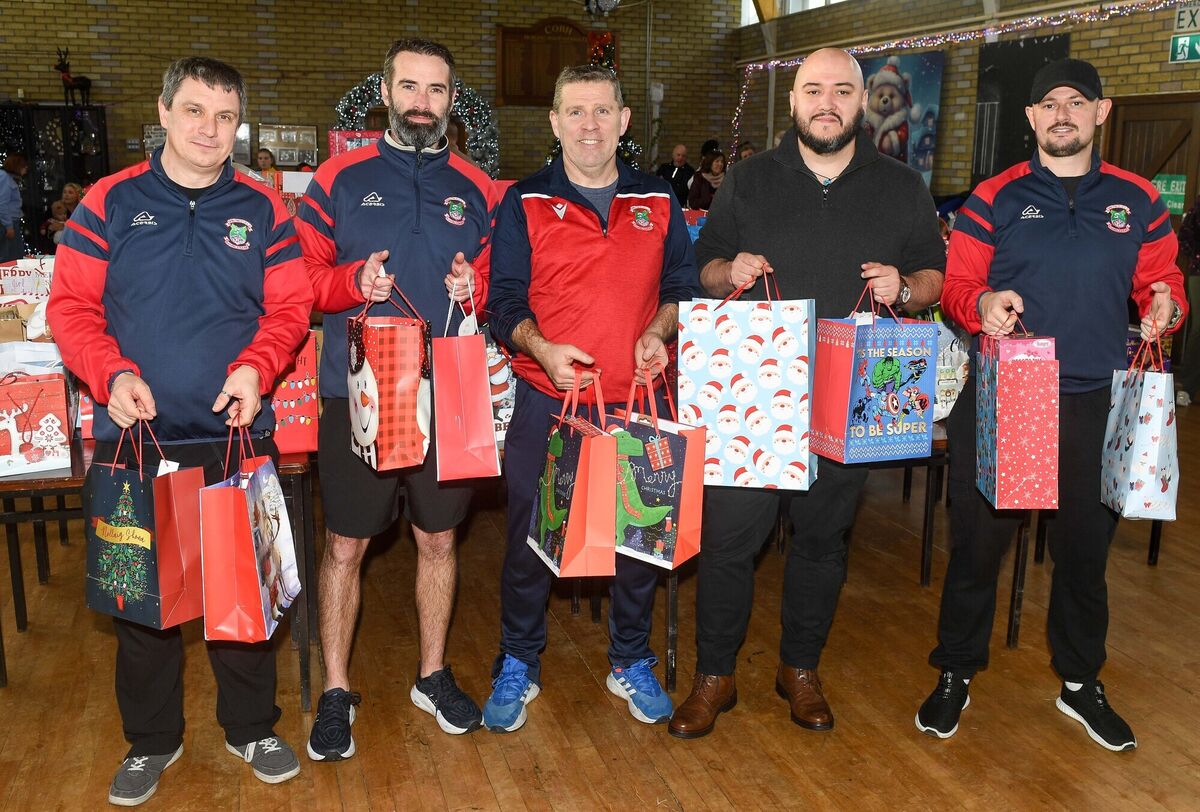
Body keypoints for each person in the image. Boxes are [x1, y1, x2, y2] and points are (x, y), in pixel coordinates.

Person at [47, 56, 312, 806]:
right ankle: (151, 740)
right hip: (138, 438)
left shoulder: (264, 210)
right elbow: (70, 307)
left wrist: (258, 368)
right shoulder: (110, 201)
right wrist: (111, 374)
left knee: (245, 591)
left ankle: (251, 727)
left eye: (225, 117)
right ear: (163, 113)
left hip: (235, 434)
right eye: (194, 111)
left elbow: (290, 308)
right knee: (143, 605)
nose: (209, 130)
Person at [669, 47, 946, 739]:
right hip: (753, 394)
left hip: (847, 398)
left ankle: (799, 668)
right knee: (729, 544)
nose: (828, 102)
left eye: (842, 90)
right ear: (793, 101)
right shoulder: (748, 179)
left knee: (823, 543)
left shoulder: (902, 186)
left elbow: (933, 275)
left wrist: (906, 289)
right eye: (814, 90)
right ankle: (715, 675)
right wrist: (728, 268)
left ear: (864, 100)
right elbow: (704, 268)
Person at [915, 58, 1187, 752]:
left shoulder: (1138, 199)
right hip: (1009, 392)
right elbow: (957, 286)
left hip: (1097, 398)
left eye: (1077, 102)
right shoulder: (993, 197)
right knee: (979, 547)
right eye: (1050, 104)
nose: (1063, 113)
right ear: (1031, 117)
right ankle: (956, 669)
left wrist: (1167, 306)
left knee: (1084, 553)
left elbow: (1164, 281)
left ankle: (1080, 681)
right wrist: (982, 304)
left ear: (1101, 112)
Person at [295, 37, 498, 757]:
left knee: (438, 538)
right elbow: (300, 280)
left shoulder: (478, 188)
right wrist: (353, 282)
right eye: (408, 87)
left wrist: (473, 286)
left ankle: (432, 675)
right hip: (359, 392)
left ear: (451, 99)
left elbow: (497, 277)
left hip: (448, 393)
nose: (421, 102)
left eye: (435, 90)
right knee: (346, 544)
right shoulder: (337, 179)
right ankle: (335, 690)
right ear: (385, 93)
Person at [485, 64, 699, 732]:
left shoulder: (659, 197)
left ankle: (629, 658)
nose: (589, 125)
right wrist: (542, 348)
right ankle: (518, 659)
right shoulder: (523, 200)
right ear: (554, 122)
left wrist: (659, 331)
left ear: (624, 120)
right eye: (575, 111)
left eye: (603, 111)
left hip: (641, 399)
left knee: (639, 540)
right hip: (550, 401)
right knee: (530, 539)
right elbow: (503, 302)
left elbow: (682, 286)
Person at [1175, 194, 1200, 404]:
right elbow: (1184, 234)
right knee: (1199, 328)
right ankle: (1187, 387)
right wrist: (1195, 256)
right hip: (1199, 272)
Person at [0, 154, 27, 261]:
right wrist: (9, 226)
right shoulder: (5, 178)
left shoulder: (8, 178)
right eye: (23, 166)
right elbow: (2, 203)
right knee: (9, 257)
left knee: (13, 256)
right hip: (6, 223)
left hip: (8, 222)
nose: (26, 168)